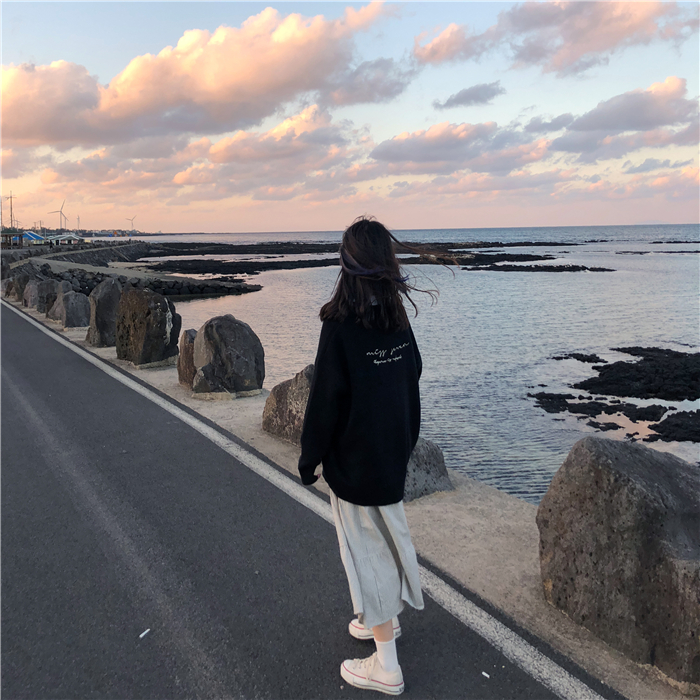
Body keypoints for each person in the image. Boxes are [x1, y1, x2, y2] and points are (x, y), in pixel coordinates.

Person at [298, 216, 435, 695]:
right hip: (392, 456)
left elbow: (325, 401)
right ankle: (385, 621)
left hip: (354, 465)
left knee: (367, 555)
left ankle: (387, 667)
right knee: (387, 542)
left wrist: (309, 459)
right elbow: (413, 374)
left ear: (347, 264)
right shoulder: (397, 321)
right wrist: (405, 439)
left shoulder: (340, 327)